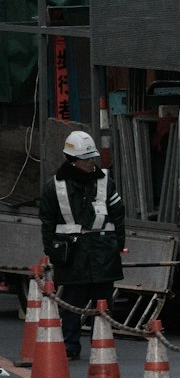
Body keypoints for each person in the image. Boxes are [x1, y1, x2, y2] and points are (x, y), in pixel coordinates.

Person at [39, 131, 126, 359]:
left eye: (92, 158)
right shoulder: (54, 187)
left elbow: (118, 214)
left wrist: (118, 244)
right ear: (72, 159)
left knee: (104, 303)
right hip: (72, 254)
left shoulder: (105, 181)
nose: (91, 162)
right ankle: (70, 347)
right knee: (71, 304)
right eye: (86, 158)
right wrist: (52, 250)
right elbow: (47, 222)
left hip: (102, 252)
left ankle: (104, 344)